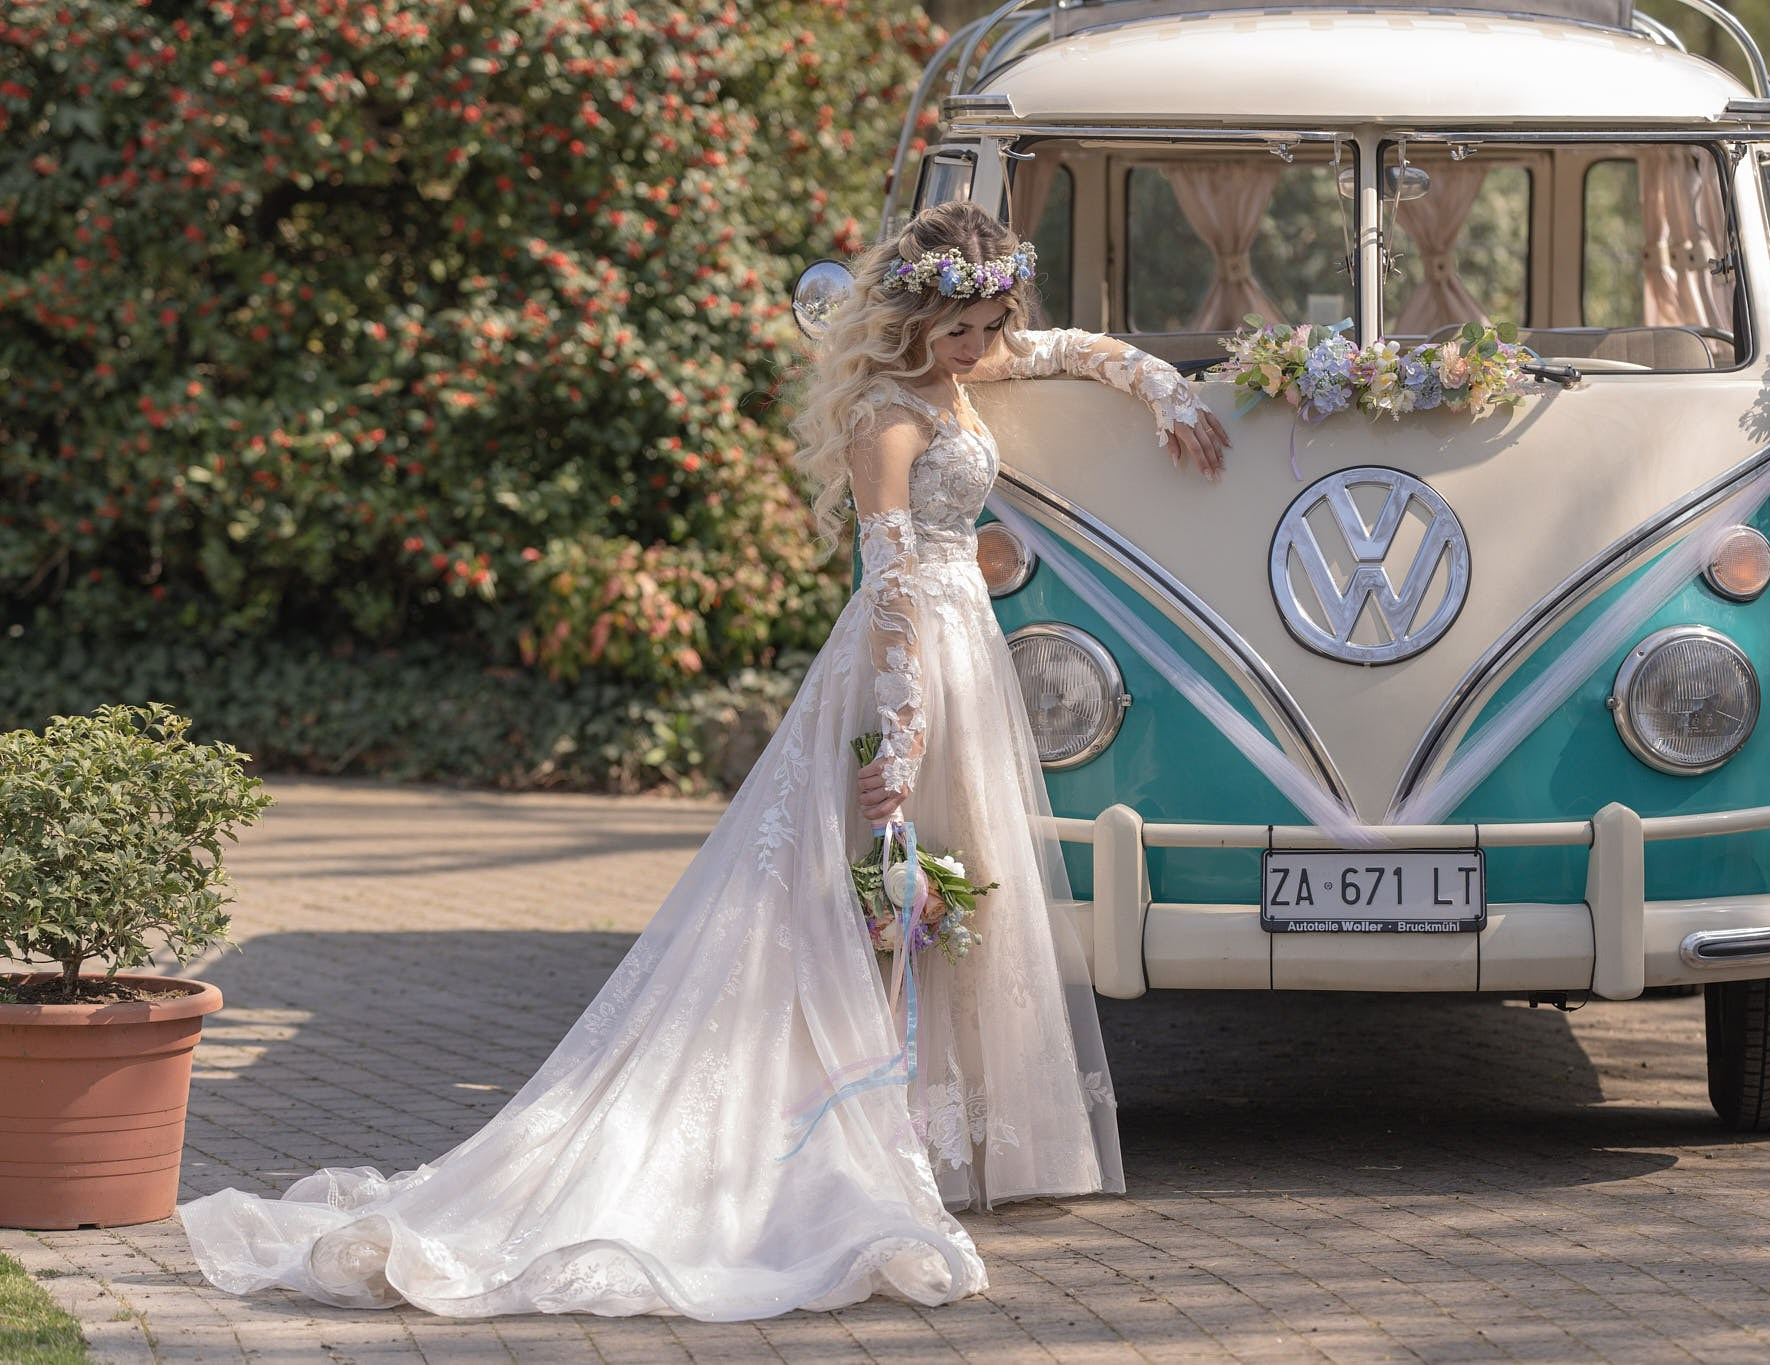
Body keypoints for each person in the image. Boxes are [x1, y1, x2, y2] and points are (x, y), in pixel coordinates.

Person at [178, 200, 1229, 1318]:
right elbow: (886, 584)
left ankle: (947, 1136)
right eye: (959, 331)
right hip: (907, 657)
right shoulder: (885, 413)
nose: (980, 350)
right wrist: (899, 731)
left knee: (949, 889)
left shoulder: (971, 368)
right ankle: (859, 1134)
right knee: (873, 890)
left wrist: (1158, 390)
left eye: (988, 325)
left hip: (965, 648)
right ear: (911, 318)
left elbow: (1068, 350)